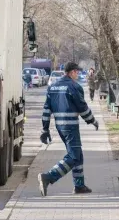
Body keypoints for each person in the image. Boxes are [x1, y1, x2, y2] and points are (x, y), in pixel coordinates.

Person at [38, 62, 99, 196]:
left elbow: (46, 110)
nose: (77, 74)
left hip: (60, 127)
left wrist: (45, 129)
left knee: (78, 154)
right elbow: (82, 107)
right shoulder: (74, 87)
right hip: (71, 126)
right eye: (76, 72)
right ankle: (48, 177)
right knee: (74, 156)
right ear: (71, 72)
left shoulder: (52, 87)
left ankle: (79, 186)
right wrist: (92, 121)